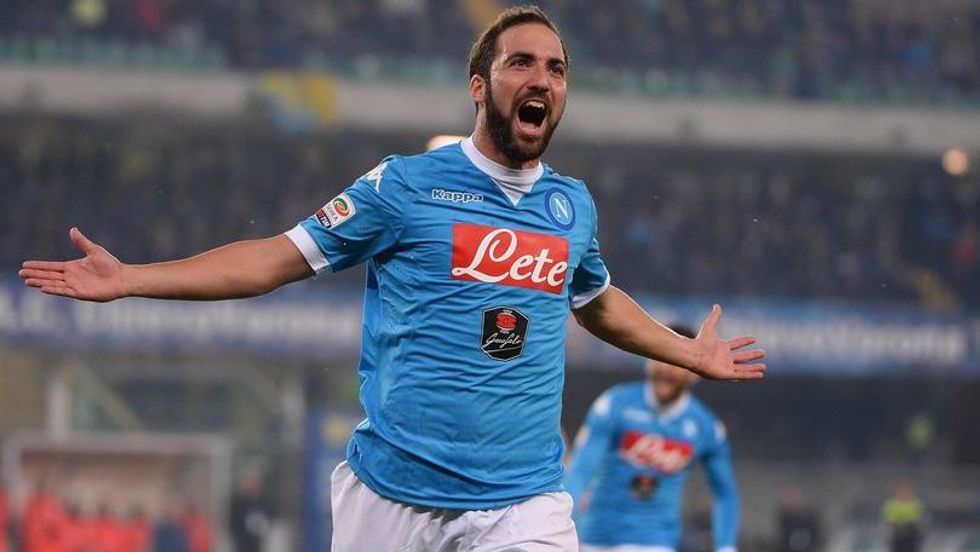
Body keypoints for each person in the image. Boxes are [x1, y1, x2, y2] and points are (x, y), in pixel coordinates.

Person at [18, 6, 766, 550]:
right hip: (394, 498)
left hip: (524, 503)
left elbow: (595, 299)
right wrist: (134, 278)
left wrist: (687, 353)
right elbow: (278, 257)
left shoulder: (571, 206)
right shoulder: (404, 187)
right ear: (480, 85)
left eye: (557, 68)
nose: (542, 78)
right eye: (521, 63)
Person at [564, 324, 740, 552]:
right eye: (658, 358)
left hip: (656, 543)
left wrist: (726, 547)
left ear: (695, 372)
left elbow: (725, 492)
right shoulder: (615, 404)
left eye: (675, 363)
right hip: (596, 539)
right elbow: (581, 468)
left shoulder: (706, 427)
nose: (665, 369)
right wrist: (562, 521)